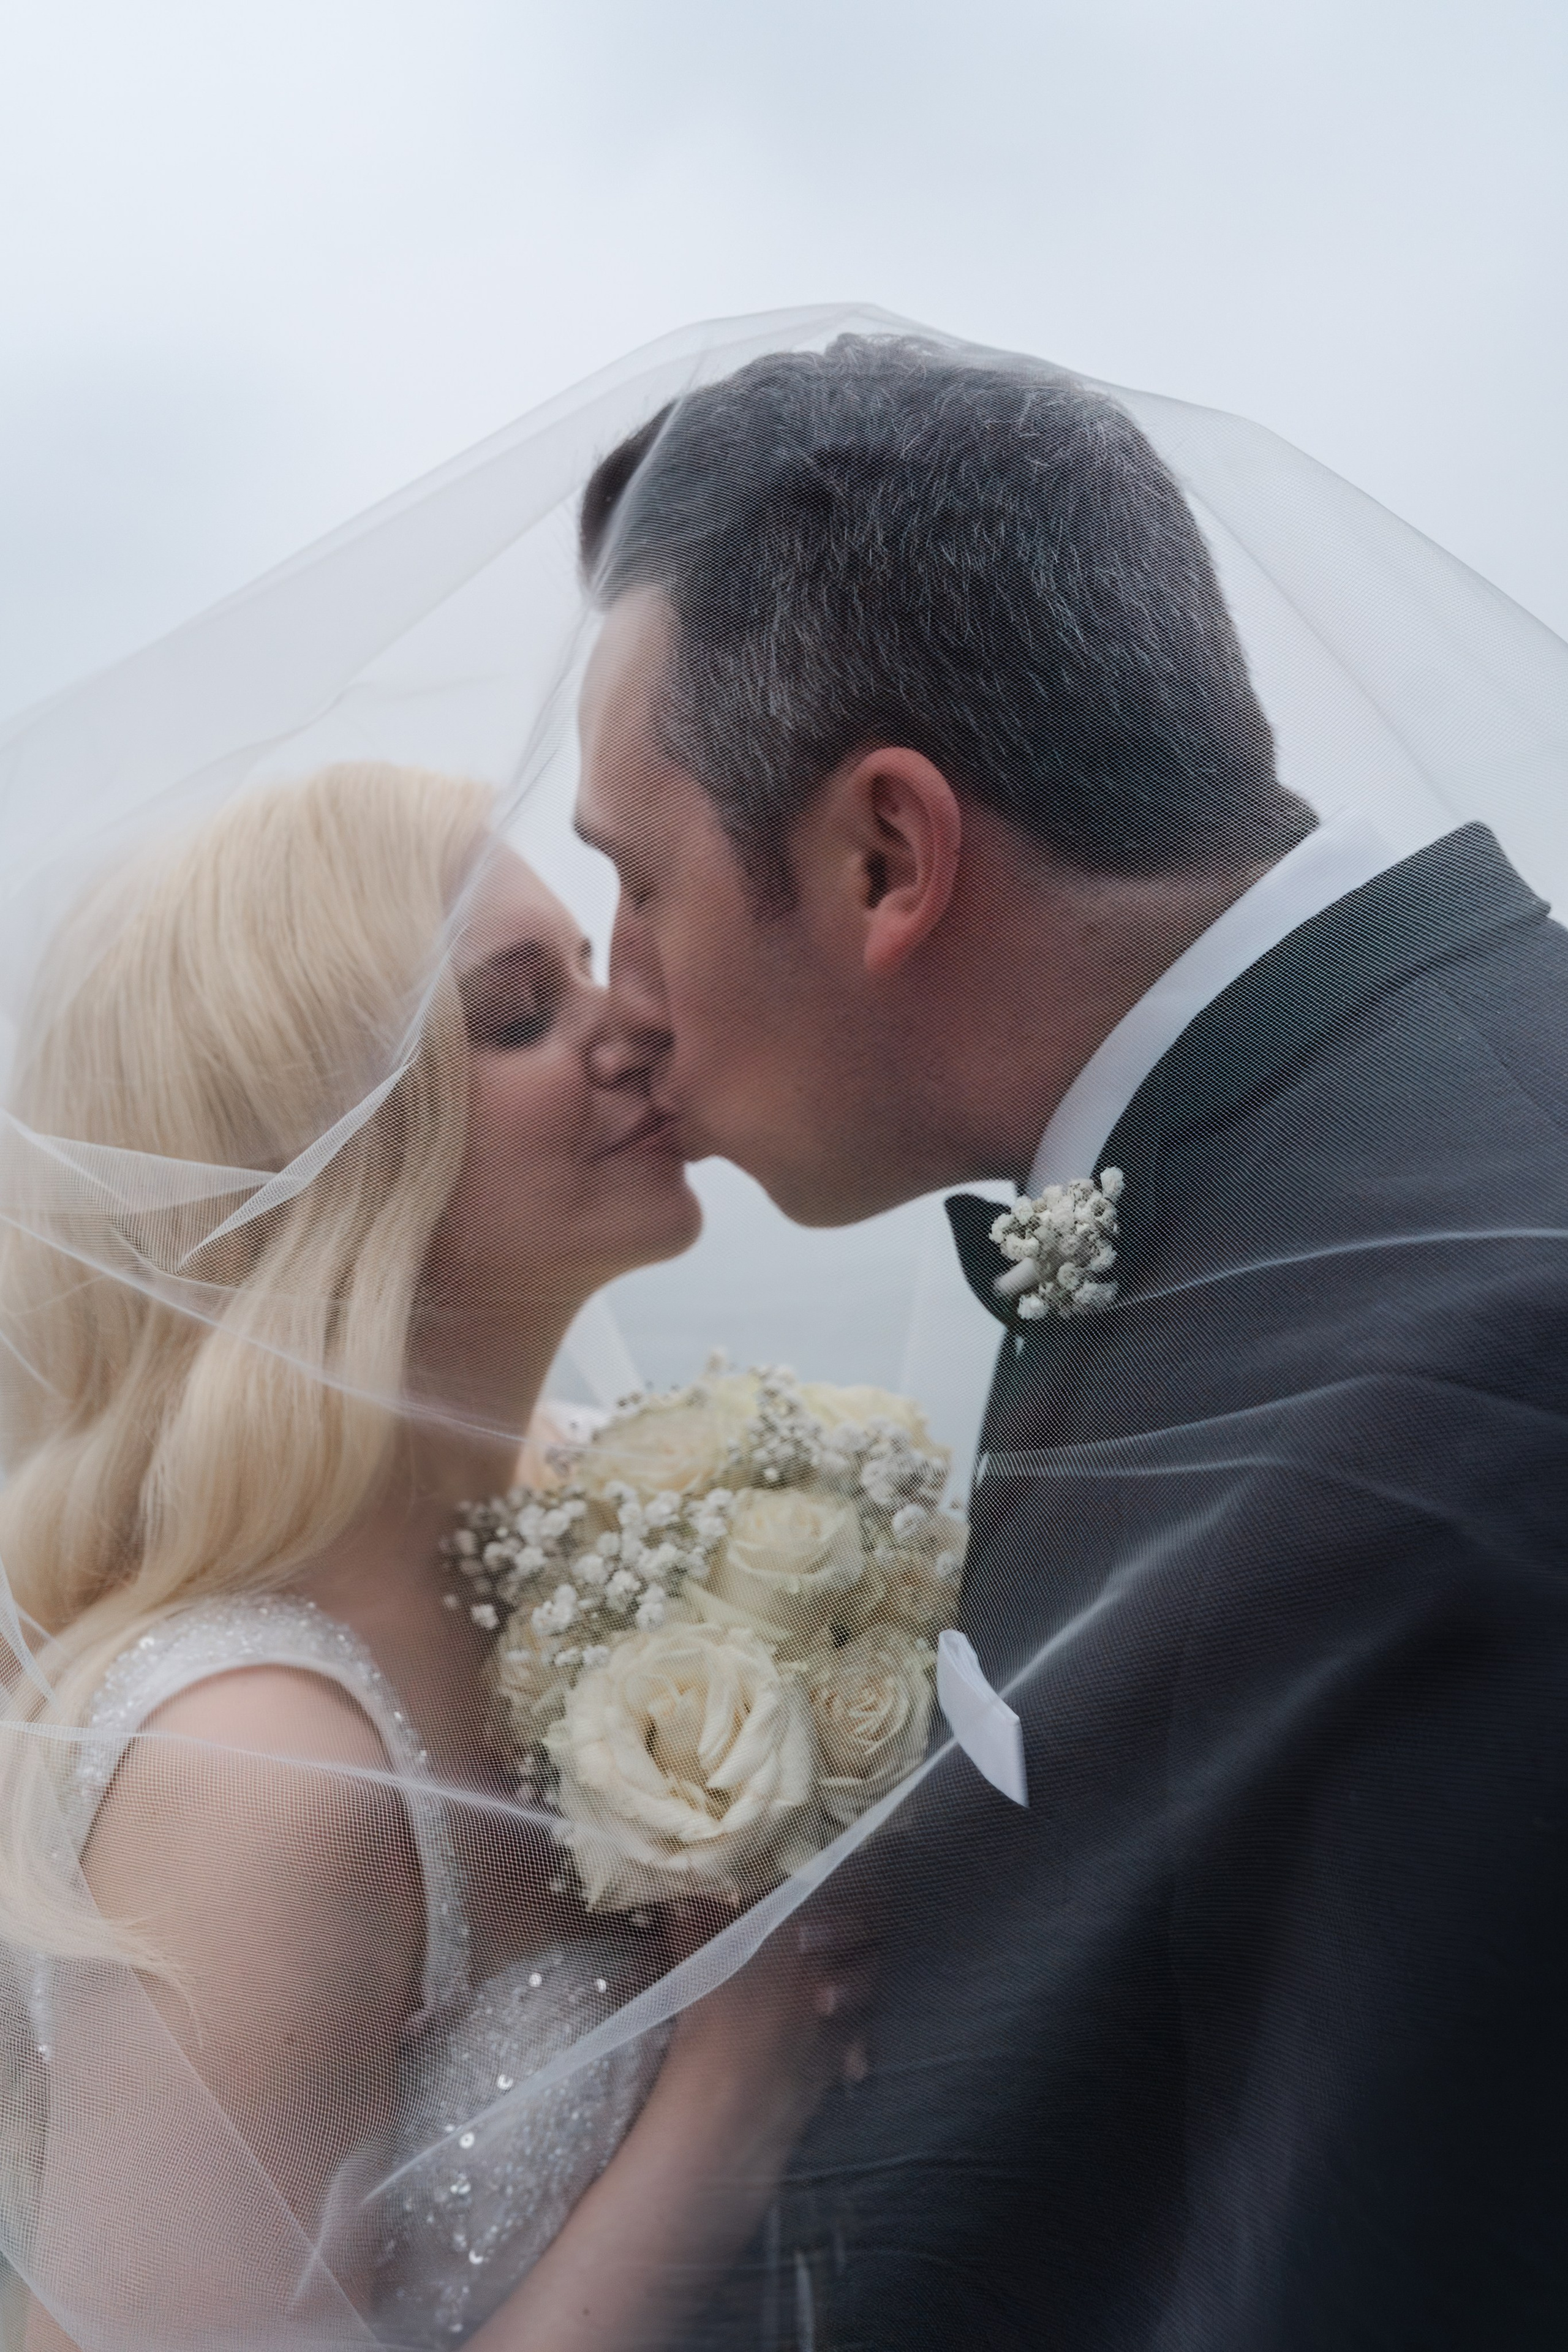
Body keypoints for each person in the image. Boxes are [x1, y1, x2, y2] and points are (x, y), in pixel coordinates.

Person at [575, 336, 1568, 2345]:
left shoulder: (1476, 1391)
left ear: (886, 857)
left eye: (639, 885)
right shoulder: (1321, 1149)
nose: (623, 997)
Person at [0, 761, 868, 2351]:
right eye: (522, 1010)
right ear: (324, 1156)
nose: (636, 1023)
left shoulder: (631, 1527)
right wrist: (732, 2086)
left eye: (591, 968)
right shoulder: (257, 1777)